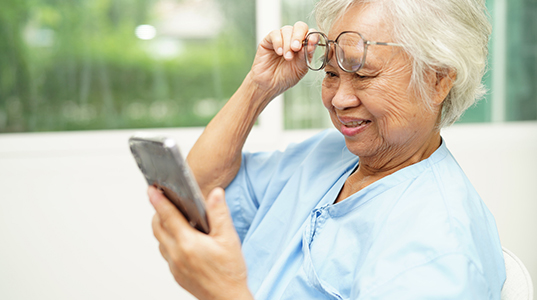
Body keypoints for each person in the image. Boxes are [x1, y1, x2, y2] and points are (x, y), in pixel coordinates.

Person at [147, 0, 506, 299]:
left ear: (438, 80)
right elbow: (196, 190)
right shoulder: (327, 155)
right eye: (332, 74)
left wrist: (224, 292)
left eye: (363, 75)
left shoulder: (439, 250)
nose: (339, 99)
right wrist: (258, 88)